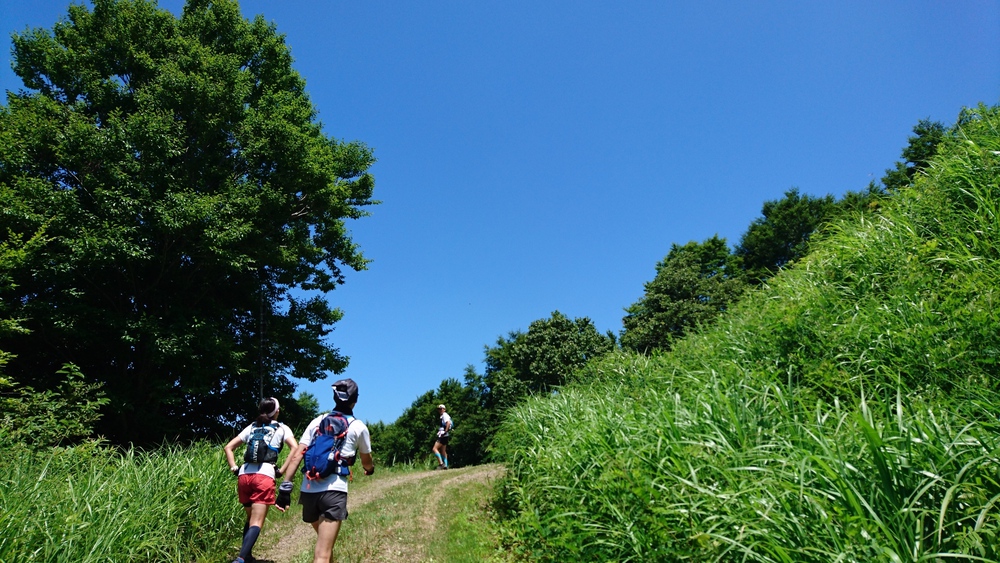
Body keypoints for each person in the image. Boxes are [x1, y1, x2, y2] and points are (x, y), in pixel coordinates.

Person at [276, 378, 375, 563]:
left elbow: (297, 455)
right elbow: (366, 461)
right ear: (355, 400)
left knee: (325, 547)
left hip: (308, 491)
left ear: (334, 397)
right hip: (334, 491)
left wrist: (285, 487)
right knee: (322, 554)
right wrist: (369, 469)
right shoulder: (358, 427)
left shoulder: (318, 421)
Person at [223, 397, 298, 563]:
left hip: (244, 475)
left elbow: (228, 447)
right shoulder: (282, 428)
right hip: (264, 475)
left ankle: (247, 556)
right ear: (277, 411)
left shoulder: (252, 426)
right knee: (256, 521)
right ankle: (241, 558)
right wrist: (282, 470)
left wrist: (234, 467)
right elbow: (295, 447)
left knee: (250, 518)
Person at [432, 404, 452, 470]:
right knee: (443, 451)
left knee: (434, 449)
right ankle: (446, 465)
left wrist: (445, 431)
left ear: (444, 409)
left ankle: (441, 464)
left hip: (443, 435)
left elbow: (448, 423)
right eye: (438, 409)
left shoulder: (444, 415)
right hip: (445, 435)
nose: (439, 410)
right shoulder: (443, 416)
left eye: (441, 409)